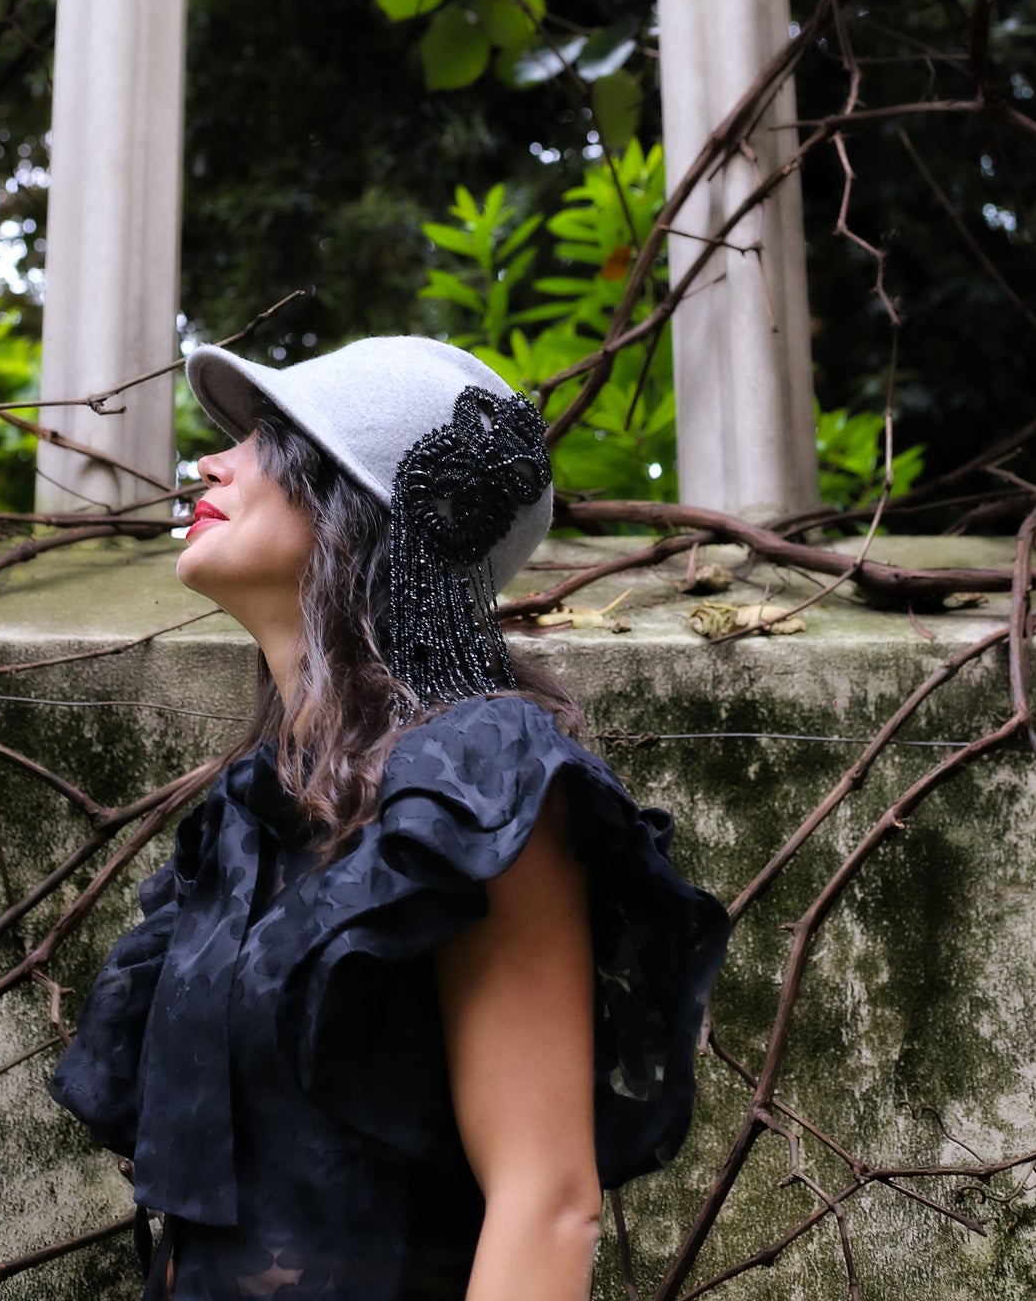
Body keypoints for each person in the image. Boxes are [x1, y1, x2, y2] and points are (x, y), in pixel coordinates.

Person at [50, 336, 727, 1301]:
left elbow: (545, 1199)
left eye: (267, 441)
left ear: (357, 502)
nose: (210, 462)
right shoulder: (252, 815)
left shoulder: (480, 787)